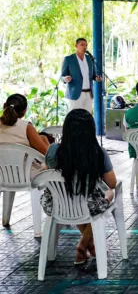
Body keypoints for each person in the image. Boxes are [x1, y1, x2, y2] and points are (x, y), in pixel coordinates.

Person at [42, 109, 117, 264]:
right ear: (91, 129)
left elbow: (47, 174)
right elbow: (112, 183)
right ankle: (84, 243)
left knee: (71, 195)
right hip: (87, 205)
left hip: (56, 205)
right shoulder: (97, 152)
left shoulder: (53, 150)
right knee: (108, 194)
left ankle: (87, 245)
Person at [61, 38, 102, 113]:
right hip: (75, 94)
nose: (85, 47)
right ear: (76, 46)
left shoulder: (90, 59)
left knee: (87, 117)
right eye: (82, 45)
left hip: (89, 94)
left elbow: (93, 75)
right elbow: (62, 77)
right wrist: (65, 78)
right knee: (74, 118)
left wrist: (96, 78)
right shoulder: (69, 59)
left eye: (86, 45)